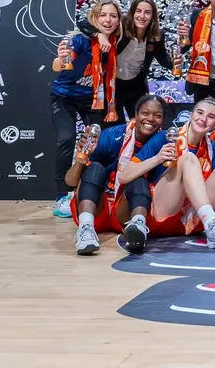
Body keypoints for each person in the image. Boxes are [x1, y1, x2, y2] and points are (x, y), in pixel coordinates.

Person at [133, 97, 215, 250]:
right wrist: (157, 159)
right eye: (200, 113)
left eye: (211, 117)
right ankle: (212, 224)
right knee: (188, 159)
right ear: (191, 115)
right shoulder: (165, 137)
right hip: (164, 212)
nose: (203, 119)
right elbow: (124, 174)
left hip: (193, 219)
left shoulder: (212, 148)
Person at [66, 95, 166, 255]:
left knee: (138, 178)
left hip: (126, 211)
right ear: (136, 114)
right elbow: (70, 182)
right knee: (95, 167)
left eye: (157, 115)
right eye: (145, 113)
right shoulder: (111, 136)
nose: (150, 119)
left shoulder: (163, 142)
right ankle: (85, 228)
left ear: (163, 120)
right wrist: (82, 156)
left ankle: (138, 228)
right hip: (99, 206)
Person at [51, 0, 121, 219]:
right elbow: (58, 65)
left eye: (113, 16)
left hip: (94, 101)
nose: (108, 20)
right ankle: (62, 195)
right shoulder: (81, 40)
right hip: (64, 98)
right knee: (66, 139)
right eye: (103, 15)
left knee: (97, 143)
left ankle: (89, 189)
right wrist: (61, 58)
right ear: (95, 18)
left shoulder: (117, 41)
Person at [79, 0, 174, 122]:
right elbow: (83, 23)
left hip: (136, 86)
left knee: (141, 125)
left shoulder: (157, 36)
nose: (142, 16)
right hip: (114, 84)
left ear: (153, 16)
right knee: (116, 127)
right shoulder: (121, 25)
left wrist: (176, 62)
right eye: (138, 11)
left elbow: (163, 60)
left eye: (147, 12)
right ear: (132, 12)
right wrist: (99, 35)